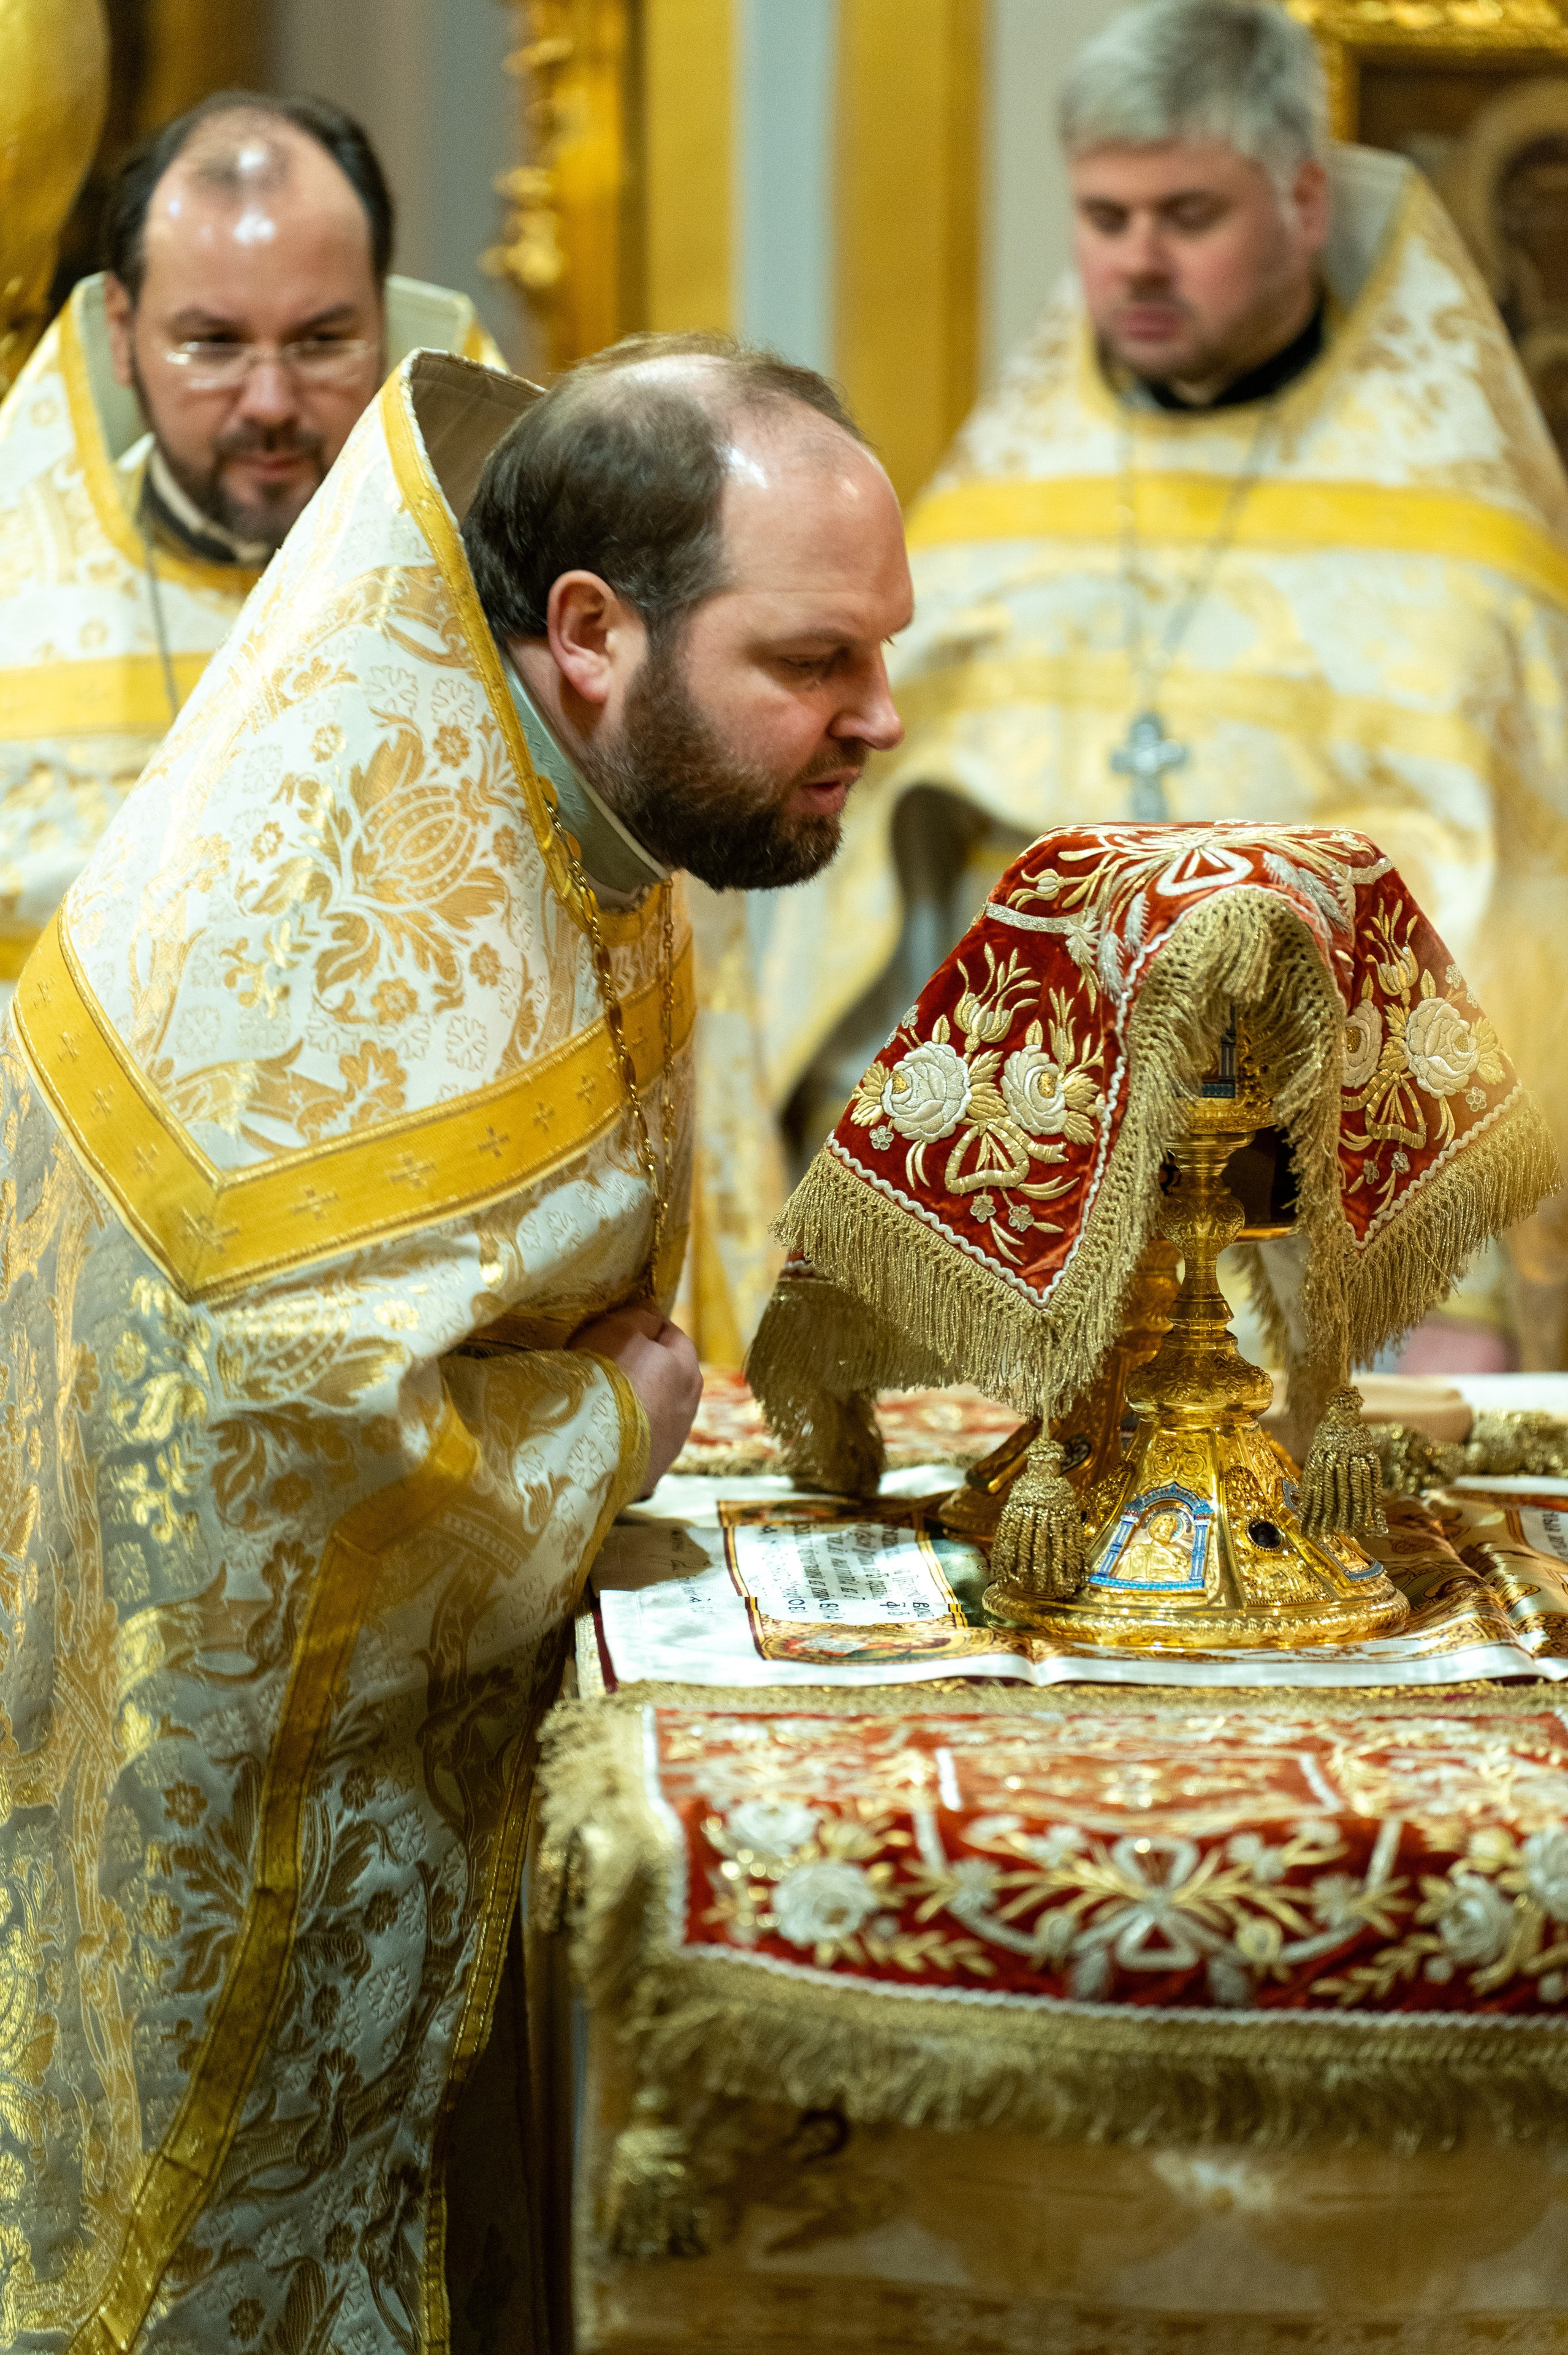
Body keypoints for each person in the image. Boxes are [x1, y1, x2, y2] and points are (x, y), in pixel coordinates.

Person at [0, 329, 907, 2348]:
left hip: (433, 1791)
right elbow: (271, 1417)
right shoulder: (297, 918)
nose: (883, 714)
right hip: (227, 1867)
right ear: (591, 630)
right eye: (815, 661)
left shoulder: (557, 778)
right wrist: (608, 1424)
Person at [760, 0, 1568, 1367]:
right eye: (1102, 216)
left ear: (1303, 202)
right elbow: (880, 919)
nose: (1132, 260)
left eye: (1185, 214)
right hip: (1032, 1226)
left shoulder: (1466, 553)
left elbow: (1509, 930)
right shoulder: (990, 520)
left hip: (1344, 1249)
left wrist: (1469, 1295)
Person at [0, 90, 498, 1001]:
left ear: (382, 323)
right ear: (122, 332)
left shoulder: (519, 604)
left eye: (321, 341)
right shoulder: (15, 608)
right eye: (213, 344)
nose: (270, 401)